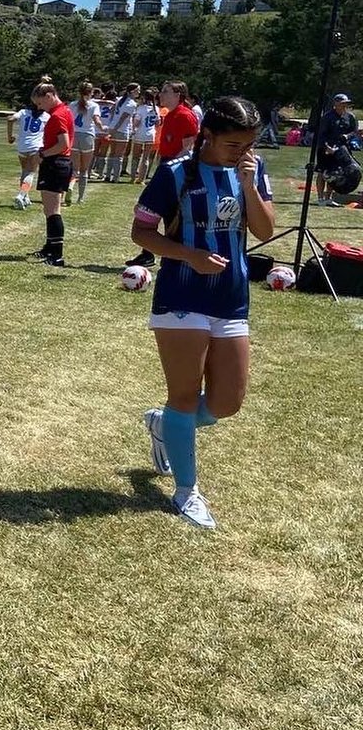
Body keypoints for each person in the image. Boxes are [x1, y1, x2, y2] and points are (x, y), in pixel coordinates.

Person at [131, 96, 275, 529]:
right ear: (207, 136)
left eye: (249, 144)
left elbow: (265, 231)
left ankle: (166, 426)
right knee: (183, 393)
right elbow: (141, 231)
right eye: (234, 145)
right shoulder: (176, 172)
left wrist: (249, 184)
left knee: (228, 401)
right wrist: (188, 255)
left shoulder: (252, 169)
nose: (243, 153)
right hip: (182, 294)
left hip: (230, 298)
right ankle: (186, 491)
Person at [127, 81, 199, 270]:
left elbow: (188, 149)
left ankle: (174, 256)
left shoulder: (185, 115)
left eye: (166, 92)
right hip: (166, 164)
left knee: (170, 215)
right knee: (149, 211)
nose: (161, 95)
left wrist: (172, 171)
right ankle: (148, 253)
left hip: (175, 168)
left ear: (178, 95)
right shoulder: (170, 114)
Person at [30, 78, 74, 267]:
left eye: (40, 103)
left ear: (49, 96)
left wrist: (43, 153)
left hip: (55, 163)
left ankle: (57, 254)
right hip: (58, 163)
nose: (40, 108)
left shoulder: (57, 115)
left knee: (53, 210)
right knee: (49, 209)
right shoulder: (63, 111)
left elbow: (63, 143)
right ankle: (49, 247)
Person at [316, 93, 358, 206]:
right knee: (322, 172)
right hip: (326, 148)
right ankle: (320, 199)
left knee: (335, 174)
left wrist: (347, 136)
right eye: (342, 103)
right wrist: (326, 147)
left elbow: (354, 131)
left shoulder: (350, 117)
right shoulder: (327, 117)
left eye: (346, 104)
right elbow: (321, 134)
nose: (344, 106)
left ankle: (328, 198)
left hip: (341, 150)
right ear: (336, 104)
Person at [6, 94, 45, 209]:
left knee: (24, 171)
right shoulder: (46, 116)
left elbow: (10, 119)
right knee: (31, 173)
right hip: (35, 147)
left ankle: (25, 197)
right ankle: (21, 195)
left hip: (22, 146)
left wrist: (10, 136)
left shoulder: (23, 112)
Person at [67, 81, 104, 203]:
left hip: (74, 136)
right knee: (84, 170)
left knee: (74, 169)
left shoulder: (72, 104)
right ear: (91, 92)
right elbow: (97, 120)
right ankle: (81, 197)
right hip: (87, 137)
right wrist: (103, 129)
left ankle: (70, 187)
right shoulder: (93, 105)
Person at [103, 83, 140, 182]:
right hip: (122, 130)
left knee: (112, 153)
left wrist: (111, 125)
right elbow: (123, 119)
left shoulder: (119, 100)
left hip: (113, 128)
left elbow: (111, 111)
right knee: (118, 156)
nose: (139, 92)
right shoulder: (132, 103)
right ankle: (115, 177)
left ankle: (107, 175)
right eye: (138, 90)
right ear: (132, 91)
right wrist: (115, 128)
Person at [130, 88, 162, 185]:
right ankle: (141, 179)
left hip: (140, 133)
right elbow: (158, 123)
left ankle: (132, 177)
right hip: (150, 133)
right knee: (146, 157)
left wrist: (133, 129)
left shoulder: (140, 108)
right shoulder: (156, 108)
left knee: (136, 156)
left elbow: (137, 121)